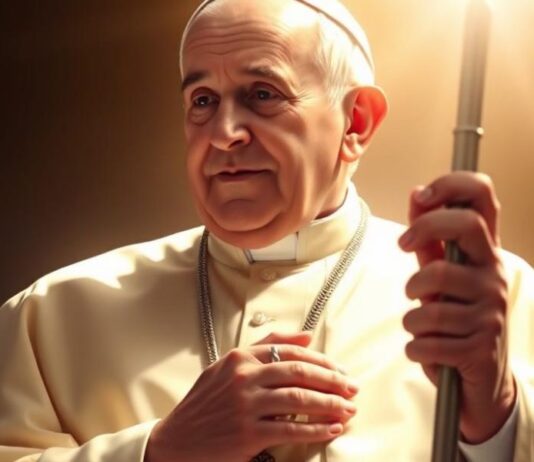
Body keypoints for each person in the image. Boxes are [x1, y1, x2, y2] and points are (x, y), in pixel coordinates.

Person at [0, 0, 532, 461]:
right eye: (203, 100)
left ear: (357, 122)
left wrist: (499, 414)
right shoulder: (51, 315)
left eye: (262, 94)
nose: (224, 133)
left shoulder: (486, 302)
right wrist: (158, 452)